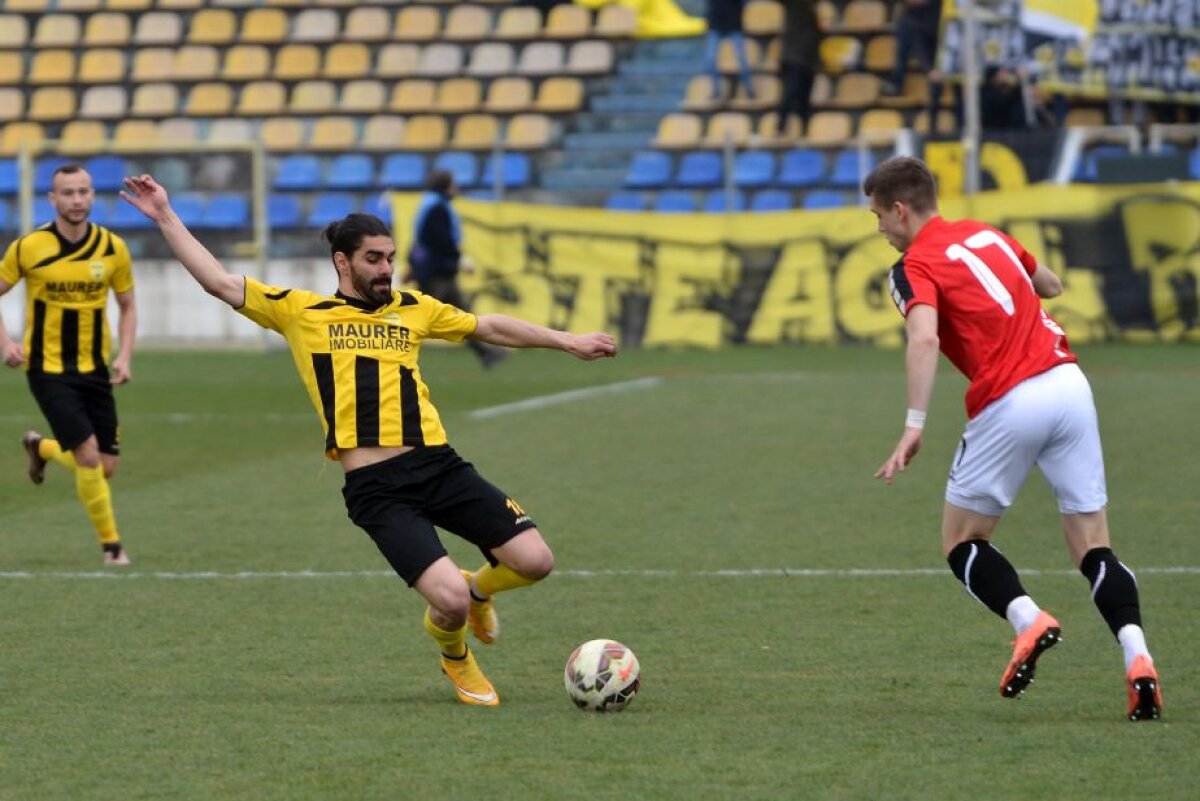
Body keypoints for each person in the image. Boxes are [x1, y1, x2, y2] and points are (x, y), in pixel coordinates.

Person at [119, 174, 617, 707]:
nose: (386, 268)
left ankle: (479, 592)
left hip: (439, 465)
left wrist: (567, 341)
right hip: (378, 489)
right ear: (343, 261)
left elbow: (487, 326)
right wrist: (166, 216)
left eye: (391, 257)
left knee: (535, 561)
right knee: (443, 602)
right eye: (375, 259)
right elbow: (218, 281)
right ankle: (455, 655)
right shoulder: (300, 311)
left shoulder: (414, 307)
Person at [864, 156, 1162, 722]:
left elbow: (924, 340)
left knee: (961, 540)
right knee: (1093, 544)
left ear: (900, 211)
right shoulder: (985, 232)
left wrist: (914, 425)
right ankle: (1138, 657)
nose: (878, 227)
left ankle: (1028, 620)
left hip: (1010, 398)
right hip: (1069, 384)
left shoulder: (911, 265)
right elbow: (1049, 283)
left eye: (878, 215)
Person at [0, 163, 137, 566]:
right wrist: (6, 342)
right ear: (53, 199)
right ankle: (112, 547)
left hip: (95, 369)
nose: (77, 200)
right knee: (89, 458)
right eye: (68, 193)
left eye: (84, 192)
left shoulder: (113, 248)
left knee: (105, 467)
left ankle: (39, 446)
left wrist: (125, 355)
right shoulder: (29, 247)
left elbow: (128, 306)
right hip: (47, 367)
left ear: (92, 195)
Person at [406, 169, 505, 369]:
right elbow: (440, 241)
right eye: (453, 184)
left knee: (462, 315)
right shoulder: (438, 209)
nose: (456, 188)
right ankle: (391, 353)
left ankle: (486, 353)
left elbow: (423, 240)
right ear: (446, 186)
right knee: (419, 317)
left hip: (438, 272)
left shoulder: (431, 205)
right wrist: (460, 259)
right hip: (436, 273)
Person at [773, 0, 820, 137]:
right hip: (793, 59)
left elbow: (815, 39)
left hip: (807, 62)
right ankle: (781, 126)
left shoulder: (813, 16)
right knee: (790, 93)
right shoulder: (795, 5)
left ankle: (804, 131)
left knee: (804, 98)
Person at [705, 0, 755, 101]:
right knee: (710, 60)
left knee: (742, 59)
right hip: (715, 26)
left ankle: (750, 90)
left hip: (734, 25)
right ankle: (716, 91)